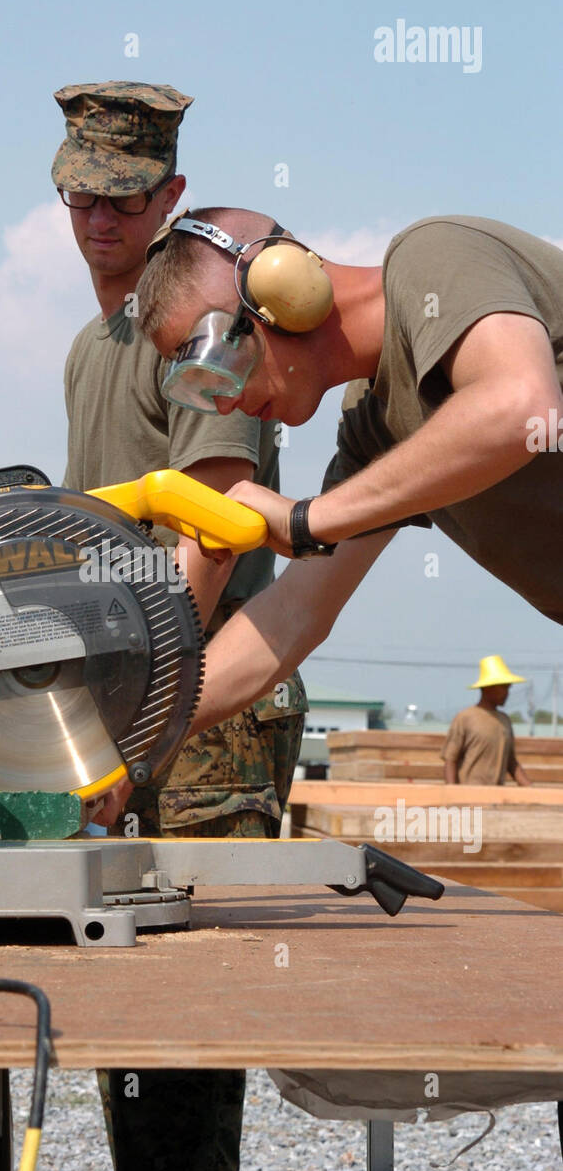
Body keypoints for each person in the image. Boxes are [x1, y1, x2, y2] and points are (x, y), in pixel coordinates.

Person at [51, 86, 307, 1171]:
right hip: (124, 700)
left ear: (169, 198)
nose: (97, 219)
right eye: (77, 194)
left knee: (183, 1020)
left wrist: (149, 701)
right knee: (122, 1000)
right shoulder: (87, 348)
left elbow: (211, 527)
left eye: (120, 198)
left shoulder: (200, 332)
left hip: (208, 698)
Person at [129, 209, 563, 734]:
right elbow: (292, 619)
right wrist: (137, 740)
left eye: (215, 355)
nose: (223, 404)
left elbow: (523, 409)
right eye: (196, 382)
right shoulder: (371, 426)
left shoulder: (433, 254)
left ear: (282, 285)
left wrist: (308, 521)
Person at [443, 655, 532, 786]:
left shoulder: (505, 721)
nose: (507, 693)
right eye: (503, 688)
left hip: (496, 797)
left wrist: (530, 788)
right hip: (470, 794)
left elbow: (511, 762)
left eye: (508, 688)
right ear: (487, 688)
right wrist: (452, 792)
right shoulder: (465, 718)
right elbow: (451, 759)